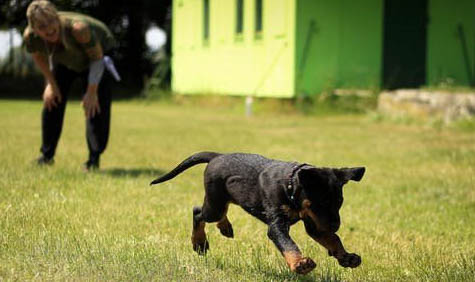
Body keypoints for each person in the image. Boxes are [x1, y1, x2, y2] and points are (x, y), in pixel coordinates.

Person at [23, 0, 119, 171]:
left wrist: (91, 92)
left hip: (97, 55)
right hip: (65, 58)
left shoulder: (78, 29)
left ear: (57, 17)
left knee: (94, 106)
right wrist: (50, 84)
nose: (49, 28)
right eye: (42, 26)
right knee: (52, 100)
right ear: (34, 28)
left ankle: (93, 160)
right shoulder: (31, 37)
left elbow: (96, 58)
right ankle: (46, 156)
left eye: (52, 21)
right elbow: (39, 57)